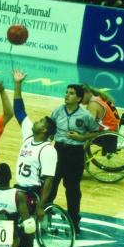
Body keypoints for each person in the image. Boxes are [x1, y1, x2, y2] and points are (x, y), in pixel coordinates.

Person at [46, 84, 100, 233]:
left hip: (75, 154)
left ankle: (74, 222)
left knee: (73, 190)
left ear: (78, 98)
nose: (66, 95)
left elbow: (95, 132)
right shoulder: (57, 111)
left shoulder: (85, 115)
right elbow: (50, 129)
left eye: (71, 93)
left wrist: (82, 137)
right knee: (50, 187)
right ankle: (45, 219)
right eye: (66, 92)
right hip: (57, 152)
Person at [11, 69, 58, 221]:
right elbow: (19, 111)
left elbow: (49, 180)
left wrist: (41, 204)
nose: (35, 121)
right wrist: (18, 84)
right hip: (18, 188)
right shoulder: (28, 136)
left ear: (44, 130)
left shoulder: (48, 150)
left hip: (33, 193)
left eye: (40, 122)